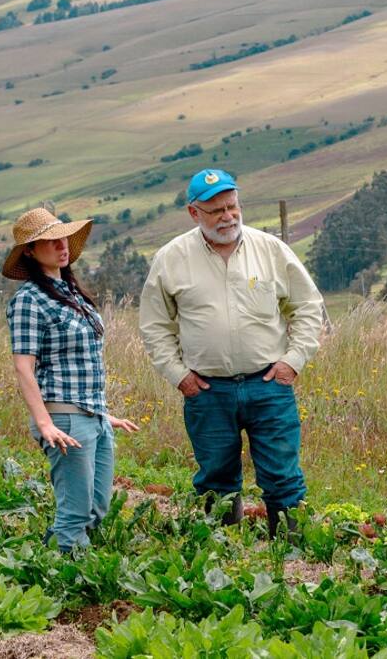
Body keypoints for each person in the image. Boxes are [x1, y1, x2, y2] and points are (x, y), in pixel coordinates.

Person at [138, 169, 324, 537]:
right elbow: (154, 325)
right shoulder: (171, 258)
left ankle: (291, 552)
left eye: (233, 206)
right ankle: (223, 553)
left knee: (283, 476)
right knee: (215, 480)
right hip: (208, 391)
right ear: (194, 213)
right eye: (216, 210)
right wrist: (179, 375)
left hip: (268, 386)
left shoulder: (270, 250)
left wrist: (293, 361)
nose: (228, 216)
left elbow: (307, 306)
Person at [3, 207, 138, 553]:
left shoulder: (72, 293)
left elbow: (78, 363)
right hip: (64, 419)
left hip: (92, 415)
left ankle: (51, 555)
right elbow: (24, 367)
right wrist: (44, 423)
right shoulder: (29, 300)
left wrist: (104, 414)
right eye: (50, 241)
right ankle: (68, 573)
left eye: (63, 238)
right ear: (30, 251)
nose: (61, 245)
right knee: (76, 512)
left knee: (97, 507)